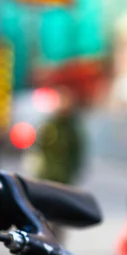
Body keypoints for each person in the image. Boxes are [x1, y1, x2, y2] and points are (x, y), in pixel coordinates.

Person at [35, 87, 85, 239]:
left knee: (60, 212)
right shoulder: (49, 124)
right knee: (44, 210)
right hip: (46, 174)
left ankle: (56, 240)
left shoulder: (72, 128)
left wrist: (74, 171)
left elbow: (77, 152)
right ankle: (44, 237)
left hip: (63, 177)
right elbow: (39, 146)